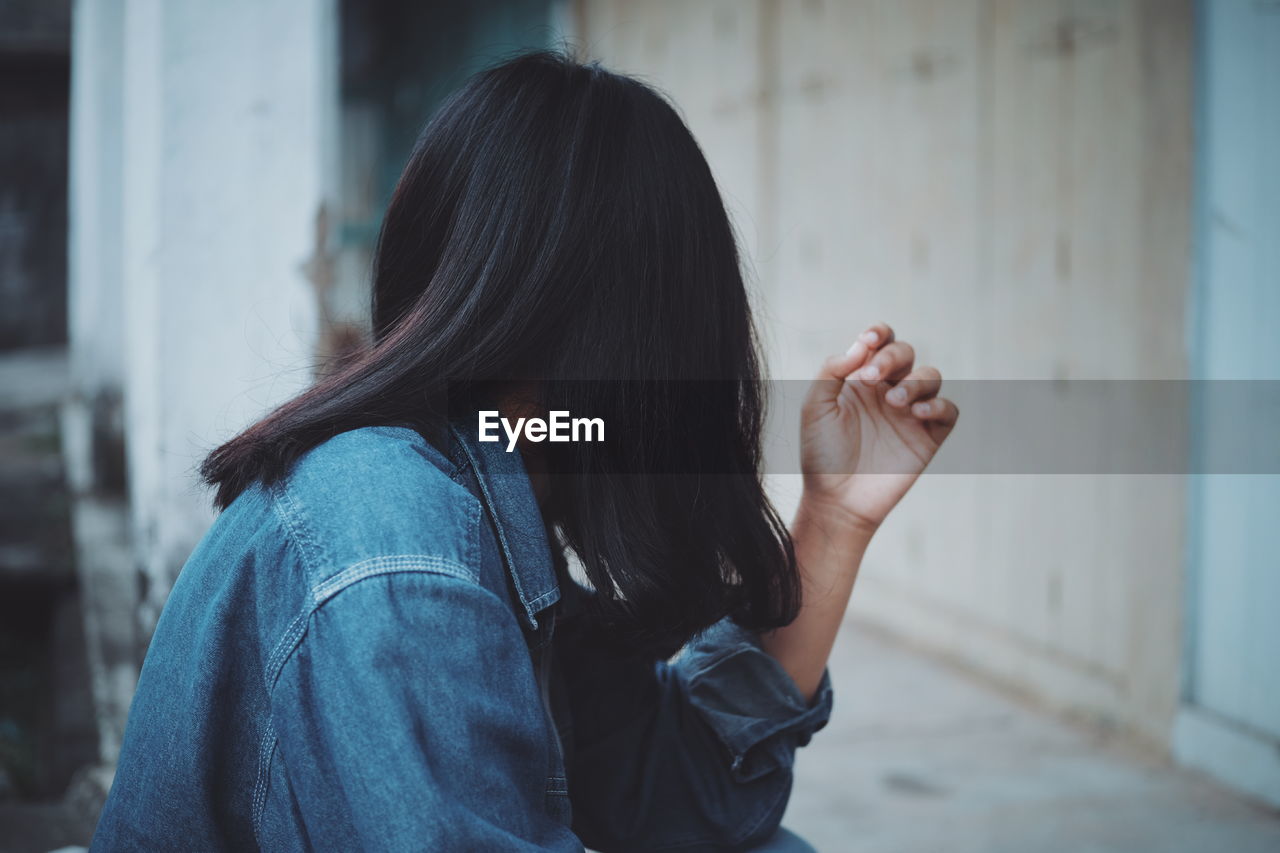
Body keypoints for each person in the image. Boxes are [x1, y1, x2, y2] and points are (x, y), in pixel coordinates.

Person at [90, 50, 957, 851]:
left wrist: (835, 518)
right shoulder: (402, 547)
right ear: (642, 340)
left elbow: (676, 799)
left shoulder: (487, 483)